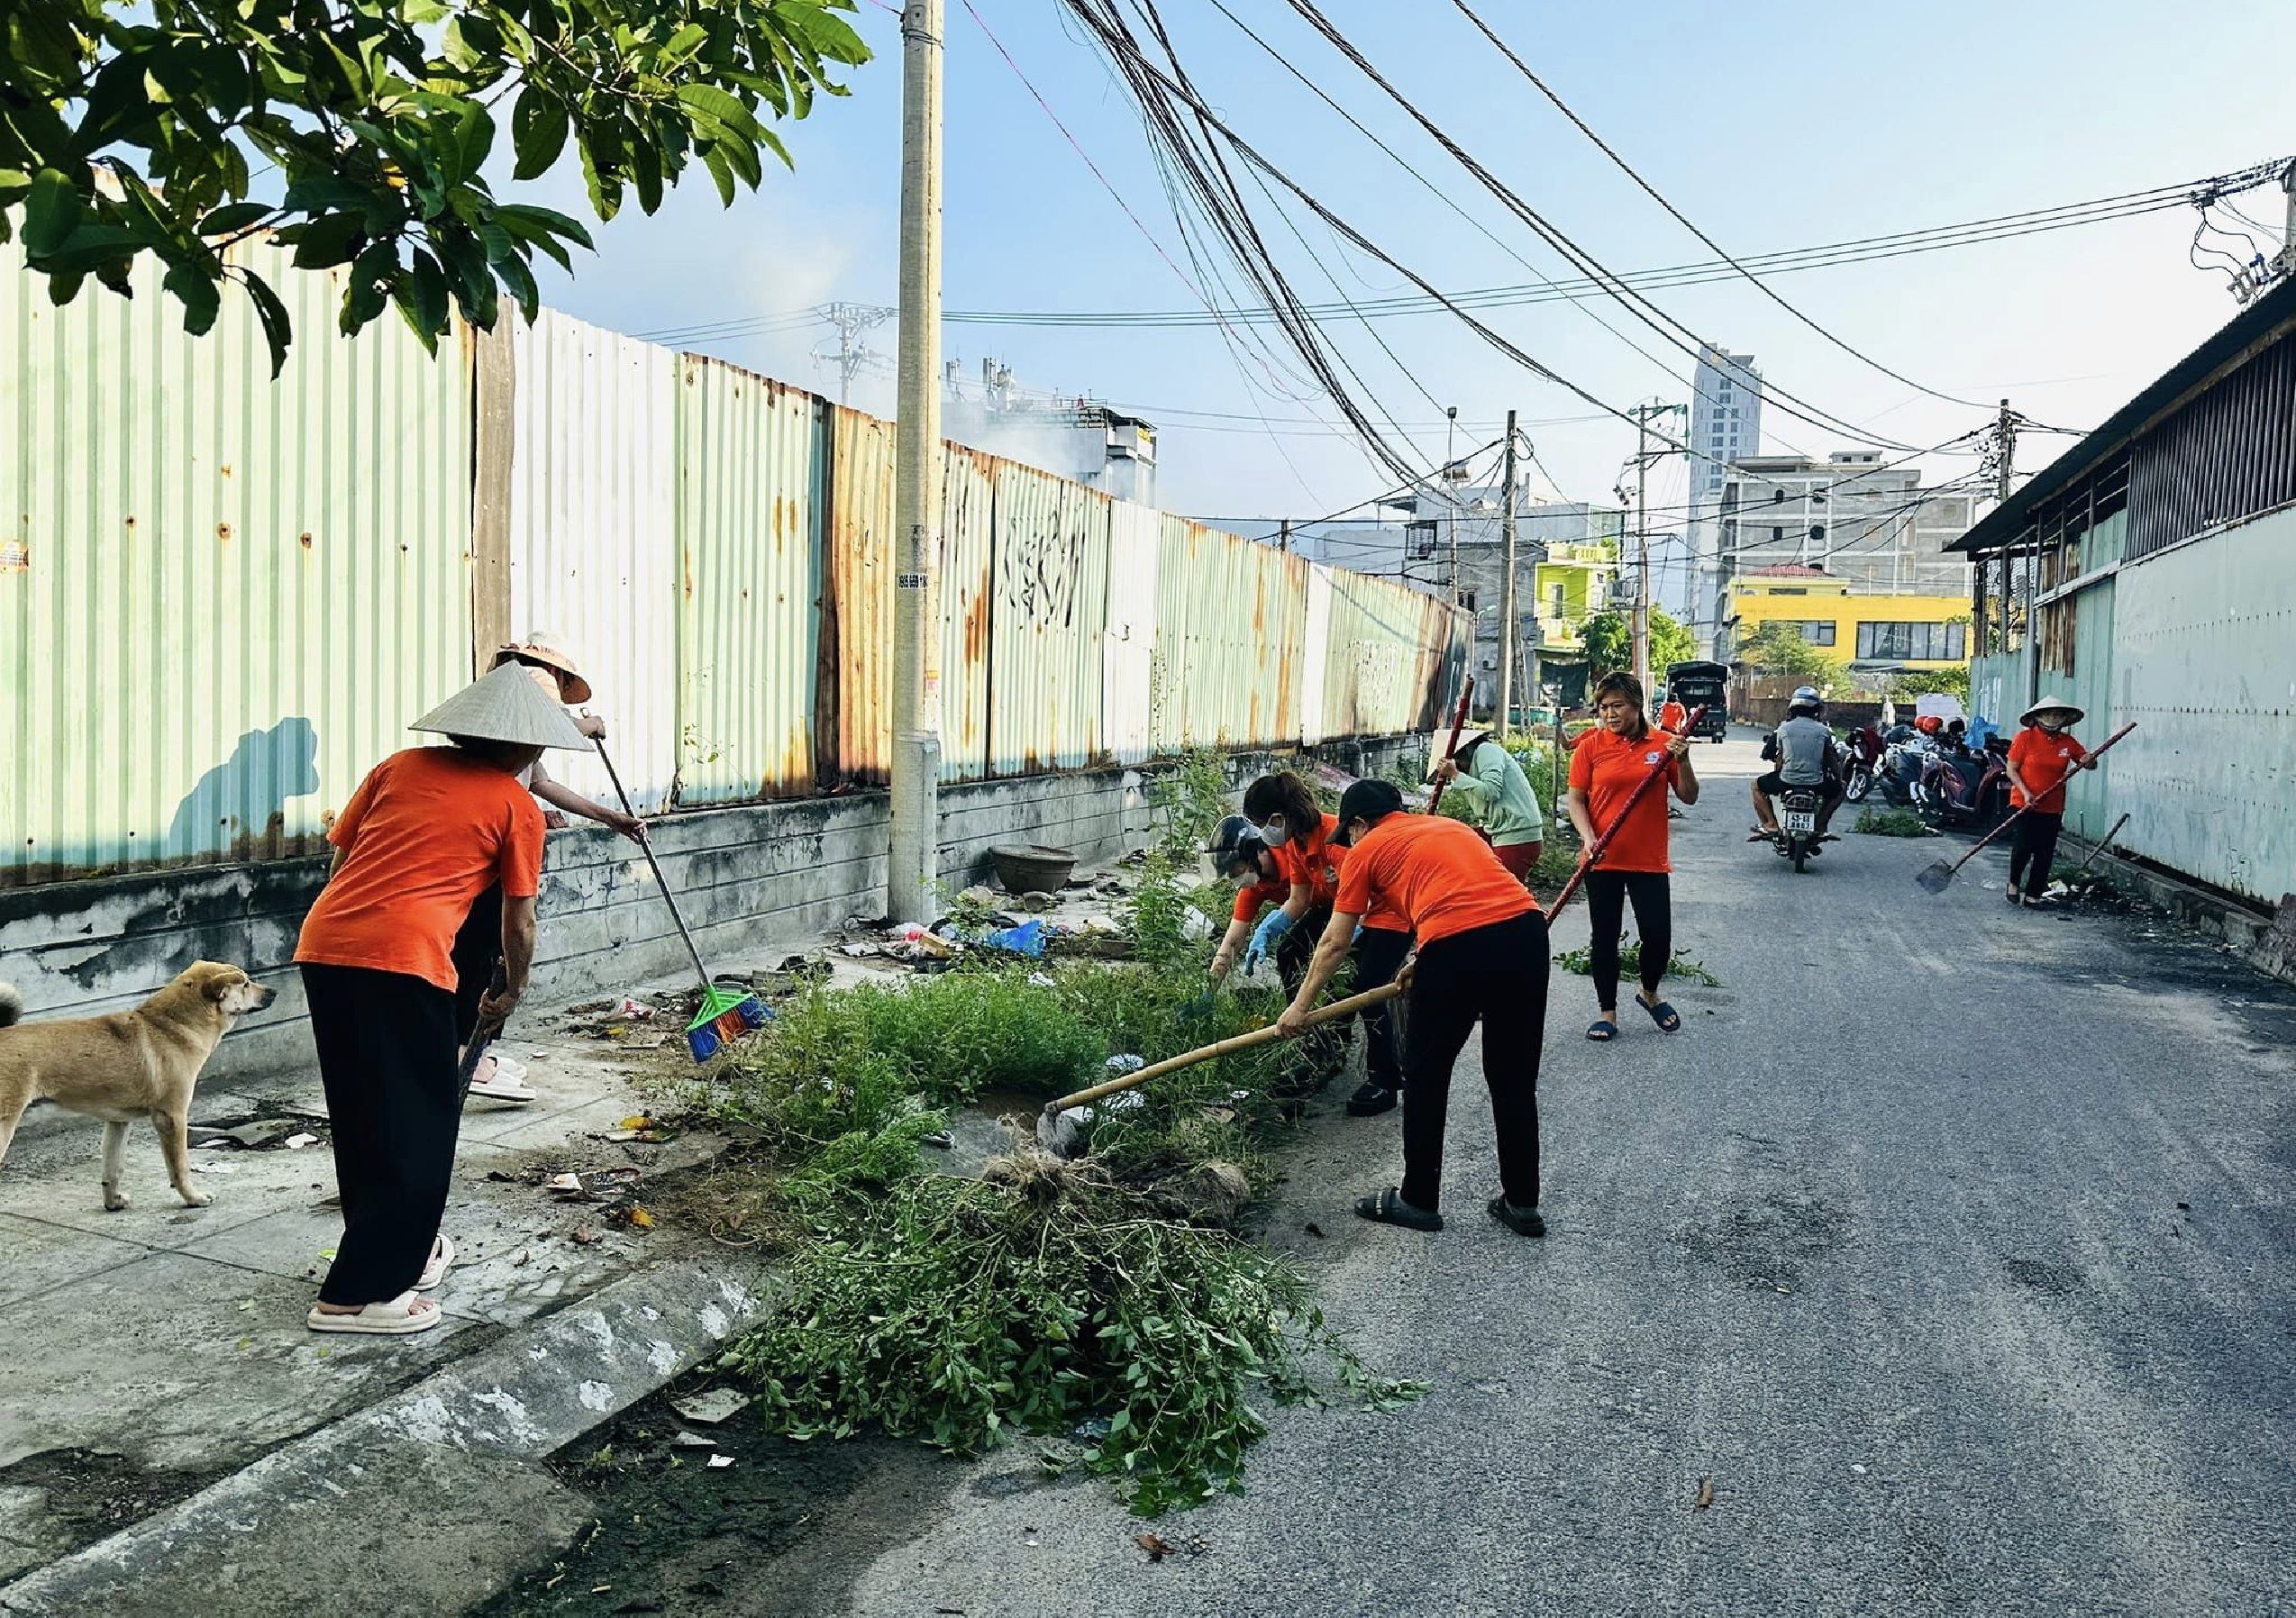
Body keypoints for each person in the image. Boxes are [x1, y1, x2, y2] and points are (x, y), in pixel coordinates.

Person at [294, 664, 592, 1334]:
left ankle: (402, 1251)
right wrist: (512, 989)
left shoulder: (398, 767)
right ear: (529, 747)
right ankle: (359, 1297)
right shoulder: (516, 807)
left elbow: (341, 865)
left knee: (363, 1112)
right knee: (421, 1124)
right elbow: (520, 921)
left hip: (326, 945)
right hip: (406, 963)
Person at [1276, 780, 1549, 1237]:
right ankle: (1522, 1204)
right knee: (1513, 1078)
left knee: (1425, 1074)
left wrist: (1298, 1009)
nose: (1351, 843)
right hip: (1525, 932)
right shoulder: (1452, 828)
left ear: (1360, 823)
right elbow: (1461, 894)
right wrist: (1423, 959)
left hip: (1460, 946)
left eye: (1351, 833)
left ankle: (1419, 1199)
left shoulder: (1365, 850)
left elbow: (1334, 942)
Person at [457, 638, 645, 1104]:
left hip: (493, 843)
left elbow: (540, 781)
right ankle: (468, 1057)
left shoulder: (522, 742)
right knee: (483, 955)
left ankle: (471, 1053)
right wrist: (585, 724)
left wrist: (608, 817)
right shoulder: (509, 711)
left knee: (484, 954)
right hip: (482, 849)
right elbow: (522, 924)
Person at [1207, 808, 1409, 1116]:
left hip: (1352, 905)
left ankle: (1356, 1052)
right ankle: (1315, 1041)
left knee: (1356, 980)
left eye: (1238, 869)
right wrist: (1209, 989)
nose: (1239, 878)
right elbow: (1232, 940)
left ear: (1256, 850)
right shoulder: (1255, 886)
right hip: (1327, 910)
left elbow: (1331, 890)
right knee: (1290, 954)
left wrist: (1347, 934)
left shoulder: (1290, 850)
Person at [1566, 671, 1699, 1041]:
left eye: (1617, 706)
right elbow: (1576, 800)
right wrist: (1588, 838)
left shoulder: (1665, 744)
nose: (1609, 714)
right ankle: (1607, 1013)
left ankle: (1649, 993)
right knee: (1604, 937)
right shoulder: (1591, 746)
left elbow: (1689, 796)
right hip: (1602, 858)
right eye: (1604, 707)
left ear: (1637, 705)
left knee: (1657, 936)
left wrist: (1684, 761)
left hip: (1648, 859)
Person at [2003, 695, 2095, 907]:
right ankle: (2014, 883)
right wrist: (2026, 792)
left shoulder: (2067, 742)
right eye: (2049, 714)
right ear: (2038, 717)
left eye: (2058, 715)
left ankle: (2033, 895)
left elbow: (2087, 762)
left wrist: (2088, 760)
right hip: (2024, 802)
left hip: (2052, 805)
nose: (2053, 718)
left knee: (2045, 851)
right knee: (2023, 847)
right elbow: (2011, 769)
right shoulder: (2025, 738)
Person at [1429, 730, 1544, 886]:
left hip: (1516, 832)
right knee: (1460, 848)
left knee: (1502, 893)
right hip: (1499, 830)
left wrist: (1456, 775)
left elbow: (1491, 791)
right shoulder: (1471, 767)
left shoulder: (1486, 751)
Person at [1751, 686, 1845, 845]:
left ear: (1792, 708)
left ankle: (1771, 824)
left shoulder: (1784, 729)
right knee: (1840, 789)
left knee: (1756, 786)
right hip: (1816, 782)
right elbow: (1831, 759)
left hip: (1787, 780)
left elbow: (1780, 758)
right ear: (1817, 709)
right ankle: (1820, 826)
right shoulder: (1823, 731)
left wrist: (1780, 775)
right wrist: (1839, 779)